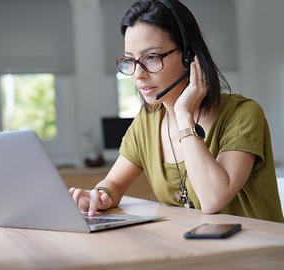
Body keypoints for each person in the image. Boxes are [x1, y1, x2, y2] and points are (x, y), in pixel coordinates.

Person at [69, 0, 283, 222]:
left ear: (188, 56)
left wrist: (183, 114)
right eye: (131, 60)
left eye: (151, 57)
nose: (138, 75)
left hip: (258, 252)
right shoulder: (148, 121)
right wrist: (98, 195)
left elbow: (212, 199)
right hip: (197, 250)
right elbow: (113, 183)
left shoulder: (243, 114)